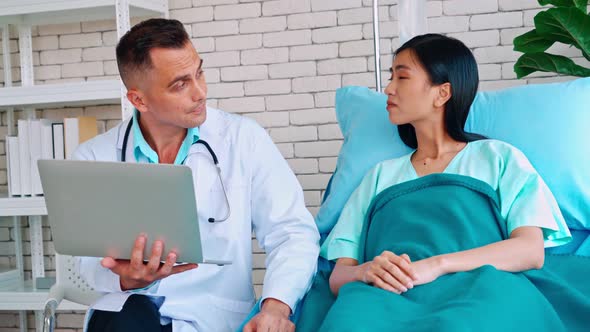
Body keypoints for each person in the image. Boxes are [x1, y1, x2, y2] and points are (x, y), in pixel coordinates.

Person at [73, 18, 320, 332]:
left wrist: (276, 307)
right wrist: (126, 277)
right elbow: (88, 263)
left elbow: (292, 233)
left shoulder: (244, 140)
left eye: (199, 73)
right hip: (128, 314)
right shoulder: (94, 158)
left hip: (213, 313)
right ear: (139, 99)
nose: (200, 92)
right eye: (180, 84)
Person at [312, 34, 572, 330]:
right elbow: (337, 276)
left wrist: (435, 265)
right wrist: (366, 272)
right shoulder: (379, 176)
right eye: (390, 77)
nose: (388, 89)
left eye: (402, 77)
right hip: (384, 297)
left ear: (442, 93)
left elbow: (530, 250)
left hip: (481, 289)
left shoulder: (498, 158)